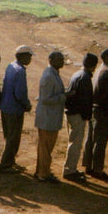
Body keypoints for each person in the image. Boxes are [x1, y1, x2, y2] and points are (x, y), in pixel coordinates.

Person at [82, 48, 108, 181]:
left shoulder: (98, 70)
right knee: (100, 141)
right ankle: (97, 169)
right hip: (103, 111)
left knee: (91, 138)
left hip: (94, 109)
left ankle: (88, 165)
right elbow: (106, 96)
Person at [62, 53, 98, 182]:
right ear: (93, 66)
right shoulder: (85, 78)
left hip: (71, 113)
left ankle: (70, 168)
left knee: (73, 142)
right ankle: (69, 171)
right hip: (77, 114)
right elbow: (85, 100)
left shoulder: (77, 74)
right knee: (75, 144)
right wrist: (86, 116)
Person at [33, 51, 68, 183]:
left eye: (63, 59)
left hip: (50, 117)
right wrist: (64, 96)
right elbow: (46, 99)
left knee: (46, 147)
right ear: (51, 60)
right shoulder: (49, 76)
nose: (62, 62)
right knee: (45, 147)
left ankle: (42, 171)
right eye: (60, 59)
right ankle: (43, 174)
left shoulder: (54, 74)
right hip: (47, 117)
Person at [0, 45, 34, 173]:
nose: (30, 59)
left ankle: (9, 160)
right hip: (14, 109)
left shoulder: (11, 66)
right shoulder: (20, 71)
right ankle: (5, 164)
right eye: (29, 56)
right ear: (23, 56)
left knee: (9, 136)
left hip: (5, 107)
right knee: (13, 137)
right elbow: (20, 93)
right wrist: (27, 104)